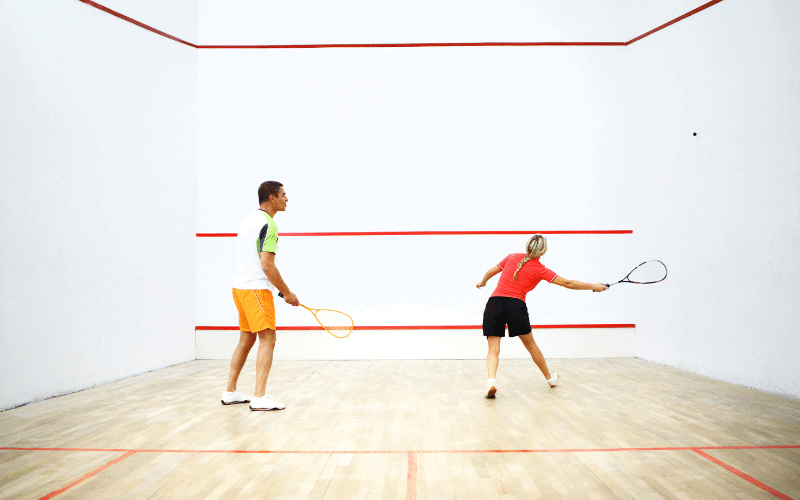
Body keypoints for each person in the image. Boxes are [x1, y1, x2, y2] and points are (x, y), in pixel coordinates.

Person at [476, 234, 607, 398]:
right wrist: (593, 286)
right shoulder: (541, 269)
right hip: (515, 306)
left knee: (493, 350)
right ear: (543, 251)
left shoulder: (512, 257)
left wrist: (482, 282)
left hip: (494, 304)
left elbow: (490, 272)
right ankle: (550, 379)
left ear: (527, 247)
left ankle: (491, 382)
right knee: (531, 346)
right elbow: (567, 283)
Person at [221, 181, 300, 411]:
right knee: (268, 339)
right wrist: (287, 292)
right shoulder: (270, 225)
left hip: (239, 288)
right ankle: (259, 396)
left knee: (246, 339)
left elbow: (254, 262)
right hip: (255, 289)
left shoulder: (247, 221)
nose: (287, 199)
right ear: (272, 198)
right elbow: (266, 265)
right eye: (283, 194)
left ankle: (230, 391)